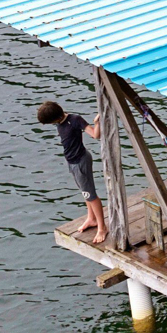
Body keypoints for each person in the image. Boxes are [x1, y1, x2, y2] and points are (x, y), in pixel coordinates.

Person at [36, 100, 105, 242]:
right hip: (72, 162)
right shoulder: (60, 122)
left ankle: (102, 228)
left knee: (90, 195)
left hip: (81, 161)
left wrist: (97, 123)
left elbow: (95, 135)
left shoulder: (75, 119)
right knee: (84, 192)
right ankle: (91, 218)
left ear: (55, 118)